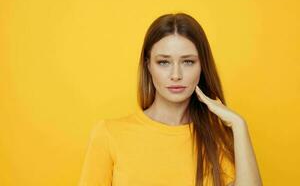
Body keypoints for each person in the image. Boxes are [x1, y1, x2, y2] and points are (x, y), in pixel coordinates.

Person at [78, 13, 263, 186]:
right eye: (164, 62)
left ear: (202, 67)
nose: (176, 75)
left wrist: (239, 125)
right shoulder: (108, 134)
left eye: (188, 61)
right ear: (148, 65)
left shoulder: (219, 138)